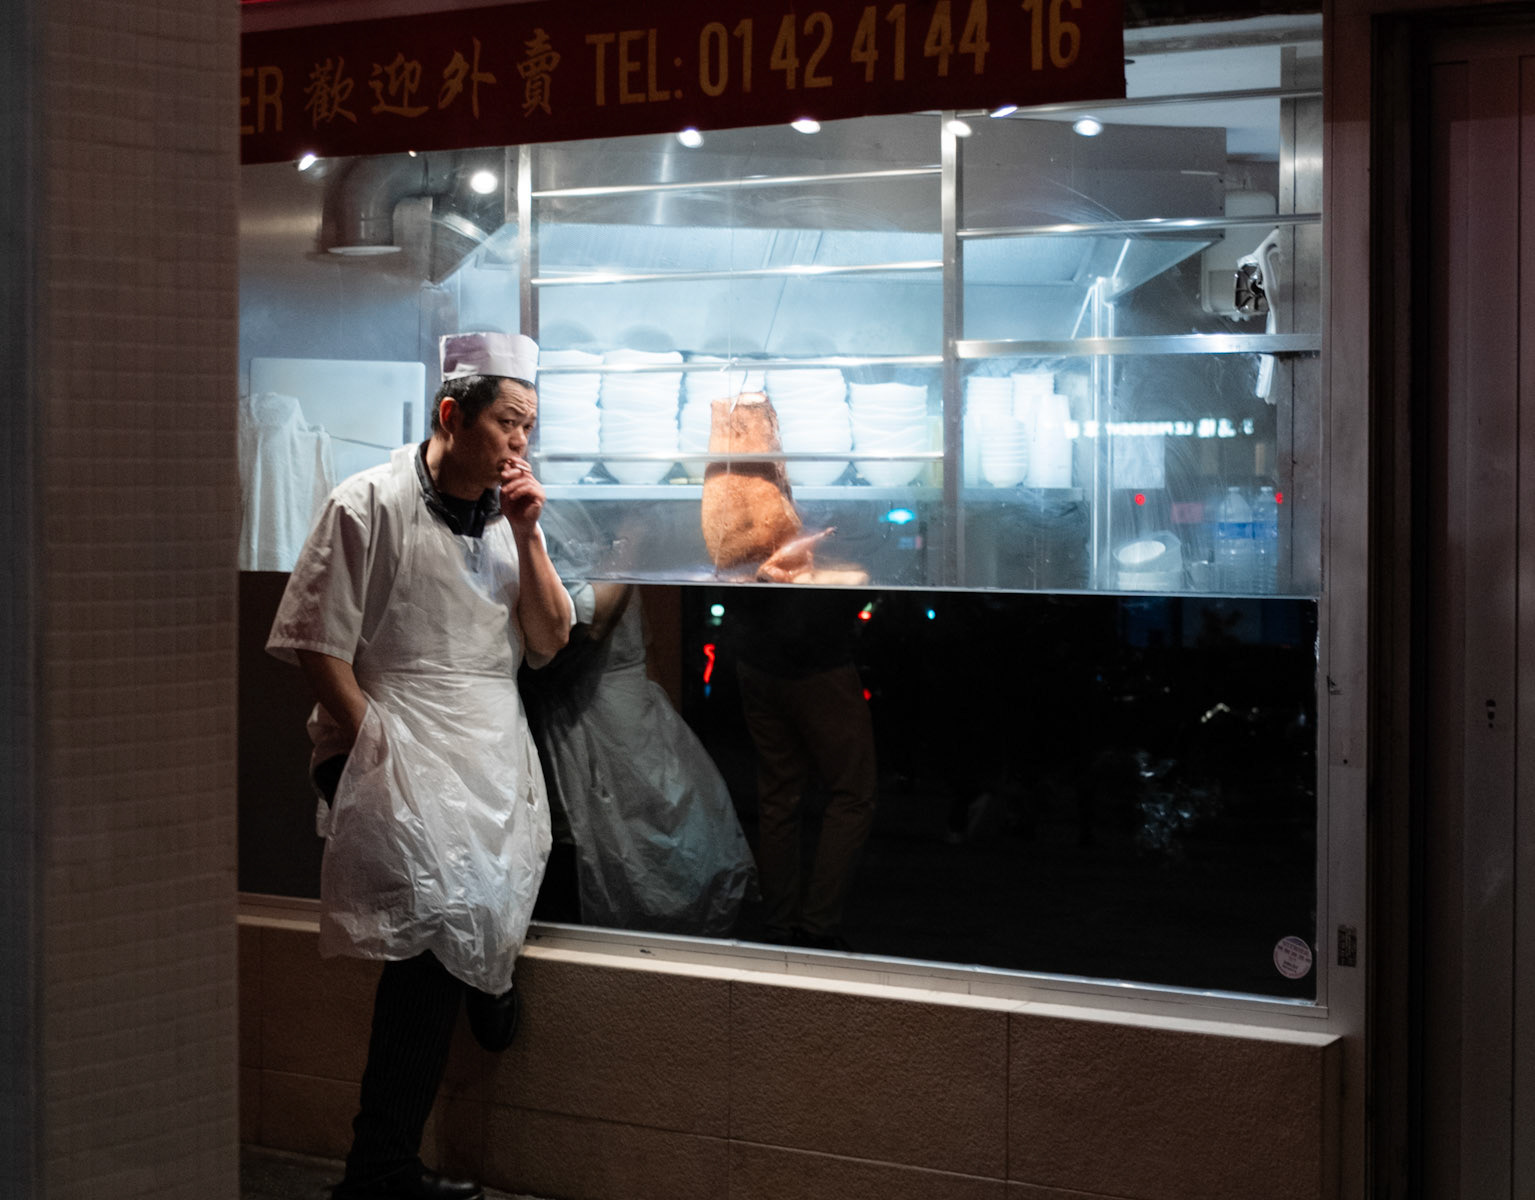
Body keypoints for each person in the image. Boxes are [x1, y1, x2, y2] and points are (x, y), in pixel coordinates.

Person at [266, 331, 572, 1200]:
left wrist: (530, 536)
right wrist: (378, 749)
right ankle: (382, 1168)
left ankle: (484, 979)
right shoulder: (366, 502)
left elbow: (548, 641)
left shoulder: (512, 518)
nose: (520, 442)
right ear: (451, 414)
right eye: (508, 422)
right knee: (442, 921)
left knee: (472, 908)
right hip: (386, 737)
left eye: (529, 426)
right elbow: (316, 645)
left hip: (486, 744)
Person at [522, 508, 756, 935]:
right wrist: (632, 538)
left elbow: (641, 643)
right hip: (587, 717)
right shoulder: (563, 527)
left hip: (633, 712)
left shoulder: (599, 537)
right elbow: (590, 623)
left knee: (664, 829)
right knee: (603, 844)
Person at [728, 586, 877, 951]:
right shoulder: (824, 548)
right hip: (819, 659)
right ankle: (818, 926)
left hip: (756, 657)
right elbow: (853, 583)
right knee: (853, 793)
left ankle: (780, 924)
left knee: (779, 797)